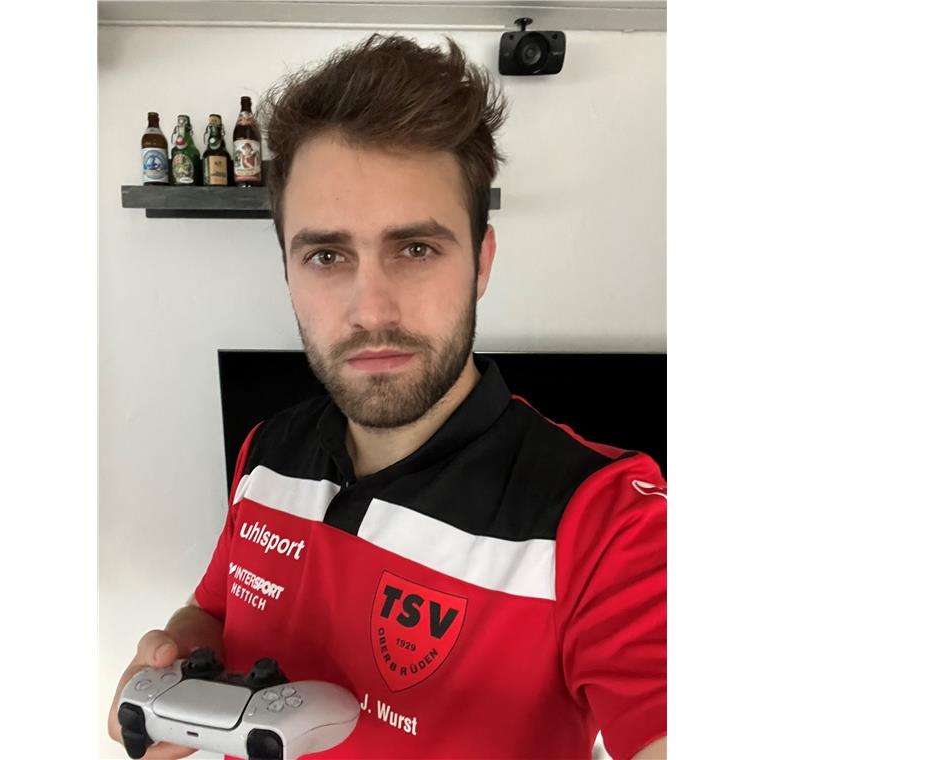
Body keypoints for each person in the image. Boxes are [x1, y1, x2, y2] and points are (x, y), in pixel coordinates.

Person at [108, 33, 666, 759]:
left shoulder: (612, 524)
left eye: (416, 249)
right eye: (327, 255)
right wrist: (182, 650)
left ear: (481, 263)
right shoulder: (265, 450)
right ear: (287, 272)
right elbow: (213, 609)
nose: (371, 310)